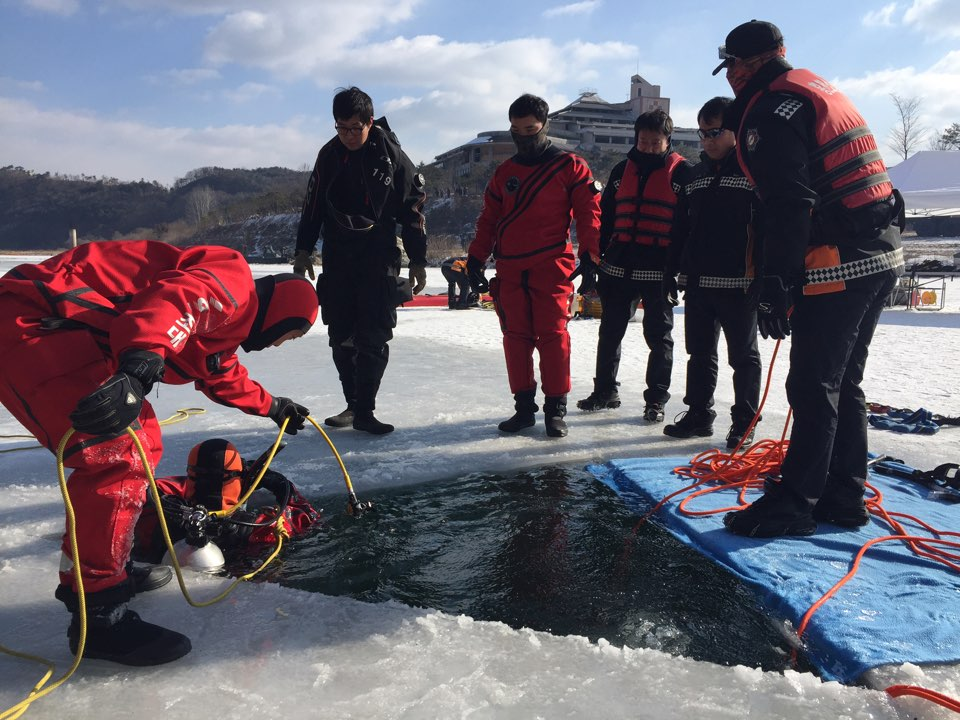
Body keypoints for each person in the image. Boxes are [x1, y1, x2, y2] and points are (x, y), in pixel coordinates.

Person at [0, 240, 319, 666]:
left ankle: (108, 569)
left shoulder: (223, 325)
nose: (280, 345)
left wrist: (274, 406)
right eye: (291, 335)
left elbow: (220, 373)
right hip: (38, 321)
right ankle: (100, 614)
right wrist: (138, 366)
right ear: (283, 315)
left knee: (136, 449)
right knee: (120, 454)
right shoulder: (233, 282)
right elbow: (175, 302)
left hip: (48, 326)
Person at [713, 20, 904, 537]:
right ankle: (843, 496)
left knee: (812, 384)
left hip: (839, 260)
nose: (730, 76)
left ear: (746, 65)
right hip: (881, 251)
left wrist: (777, 281)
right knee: (842, 381)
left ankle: (795, 503)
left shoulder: (770, 112)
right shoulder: (815, 90)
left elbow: (788, 203)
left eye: (731, 66)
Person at [292, 86, 428, 436]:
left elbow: (413, 209)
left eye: (356, 127)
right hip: (338, 253)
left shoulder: (391, 156)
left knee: (374, 334)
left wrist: (418, 259)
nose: (349, 135)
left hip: (378, 252)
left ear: (370, 121)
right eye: (342, 127)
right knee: (340, 333)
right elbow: (312, 206)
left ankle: (366, 410)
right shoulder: (329, 155)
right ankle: (352, 404)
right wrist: (303, 250)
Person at [467, 93, 602, 438]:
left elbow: (589, 213)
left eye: (530, 129)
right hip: (510, 269)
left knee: (554, 337)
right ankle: (524, 409)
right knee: (515, 339)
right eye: (517, 130)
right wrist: (475, 257)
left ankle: (555, 410)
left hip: (552, 267)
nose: (523, 136)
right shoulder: (505, 173)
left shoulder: (570, 166)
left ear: (544, 126)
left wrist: (591, 255)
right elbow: (488, 219)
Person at [576, 109, 694, 423]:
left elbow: (690, 225)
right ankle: (605, 391)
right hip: (618, 266)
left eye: (656, 142)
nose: (649, 147)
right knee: (609, 332)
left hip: (660, 268)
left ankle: (655, 400)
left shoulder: (683, 173)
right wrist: (594, 258)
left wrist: (682, 268)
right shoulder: (621, 171)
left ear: (668, 140)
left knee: (659, 337)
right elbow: (605, 218)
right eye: (643, 141)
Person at [663, 96, 763, 448]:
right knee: (700, 354)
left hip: (741, 283)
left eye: (716, 132)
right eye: (703, 133)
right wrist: (670, 270)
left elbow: (770, 230)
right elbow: (680, 228)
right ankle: (699, 414)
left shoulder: (755, 172)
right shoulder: (694, 175)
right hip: (698, 281)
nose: (708, 140)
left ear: (736, 130)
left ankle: (744, 423)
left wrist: (767, 277)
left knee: (743, 357)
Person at [133, 439, 321, 564]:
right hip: (242, 591)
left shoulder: (154, 515)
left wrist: (205, 475)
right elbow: (308, 514)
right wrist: (277, 483)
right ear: (237, 478)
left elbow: (151, 487)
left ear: (191, 474)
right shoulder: (262, 527)